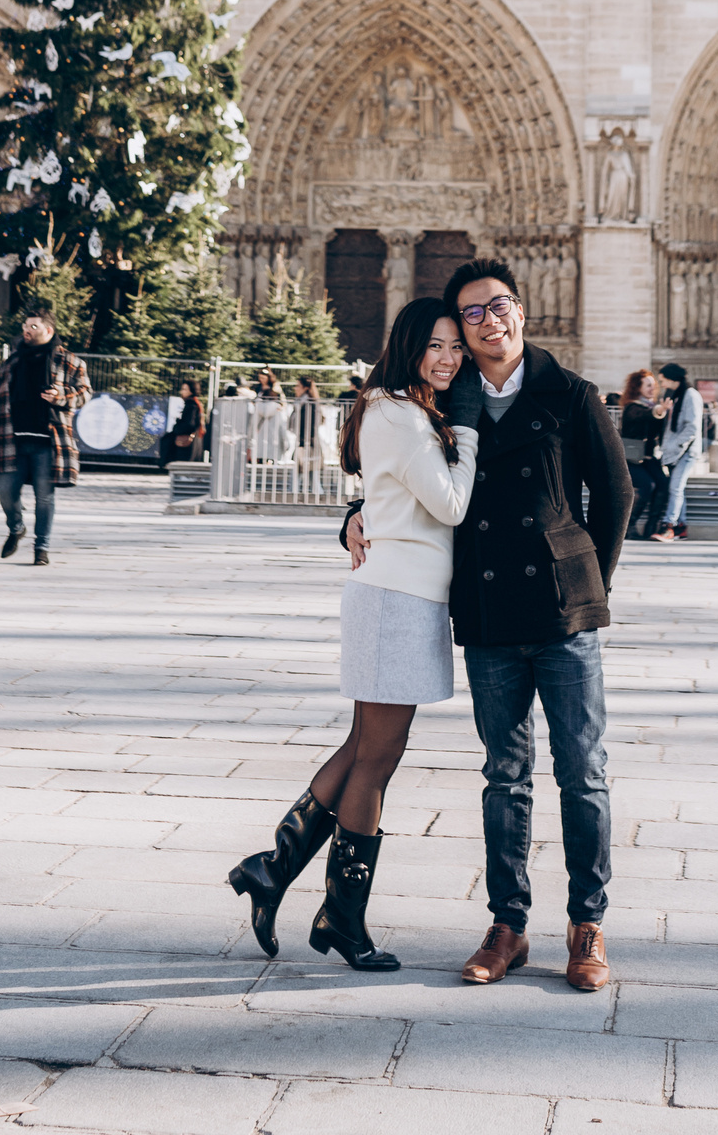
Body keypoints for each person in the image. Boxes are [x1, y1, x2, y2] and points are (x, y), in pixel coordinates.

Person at [375, 257, 632, 991]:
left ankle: (587, 924)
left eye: (499, 306)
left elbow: (615, 494)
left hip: (562, 613)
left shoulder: (570, 392)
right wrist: (355, 516)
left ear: (521, 311)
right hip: (489, 614)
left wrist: (584, 579)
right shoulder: (441, 400)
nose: (490, 322)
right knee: (504, 775)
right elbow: (395, 476)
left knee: (583, 772)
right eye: (473, 314)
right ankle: (508, 925)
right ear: (461, 332)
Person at [228, 299, 479, 973]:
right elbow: (451, 504)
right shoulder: (400, 413)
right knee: (376, 758)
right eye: (435, 345)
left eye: (455, 346)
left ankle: (274, 869)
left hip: (398, 595)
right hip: (396, 598)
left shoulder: (398, 407)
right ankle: (340, 913)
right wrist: (469, 433)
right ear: (407, 346)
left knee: (366, 748)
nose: (449, 358)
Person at [0, 303, 90, 566]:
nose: (27, 330)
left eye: (33, 326)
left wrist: (61, 396)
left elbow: (85, 393)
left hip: (48, 441)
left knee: (44, 496)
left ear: (48, 330)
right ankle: (16, 527)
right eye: (25, 326)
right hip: (12, 439)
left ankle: (41, 547)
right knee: (5, 490)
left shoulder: (69, 360)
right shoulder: (13, 361)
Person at [651, 362, 703, 541]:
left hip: (686, 451)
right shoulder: (676, 395)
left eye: (663, 380)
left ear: (673, 379)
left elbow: (692, 427)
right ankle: (681, 527)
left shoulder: (690, 395)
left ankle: (669, 526)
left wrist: (675, 446)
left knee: (675, 488)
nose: (662, 384)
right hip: (674, 451)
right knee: (677, 489)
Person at [618, 370, 666, 539]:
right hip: (631, 458)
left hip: (648, 457)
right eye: (648, 385)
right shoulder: (632, 407)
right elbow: (643, 415)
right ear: (637, 387)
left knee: (663, 484)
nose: (652, 388)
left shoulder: (652, 406)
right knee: (647, 485)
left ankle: (652, 527)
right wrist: (659, 410)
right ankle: (628, 527)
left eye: (654, 385)